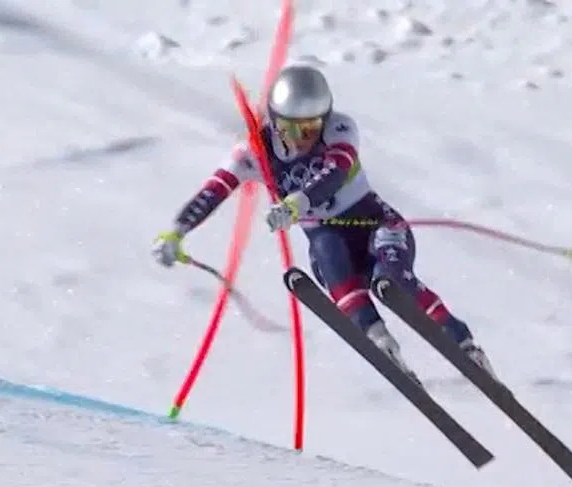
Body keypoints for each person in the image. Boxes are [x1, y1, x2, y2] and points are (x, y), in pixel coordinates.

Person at [151, 63, 495, 382]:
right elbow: (213, 191)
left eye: (312, 126)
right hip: (328, 236)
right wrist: (178, 230)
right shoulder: (254, 154)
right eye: (293, 129)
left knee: (391, 276)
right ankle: (379, 340)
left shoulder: (340, 129)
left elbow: (336, 170)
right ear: (275, 122)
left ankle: (462, 343)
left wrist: (296, 203)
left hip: (376, 224)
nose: (305, 138)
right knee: (329, 258)